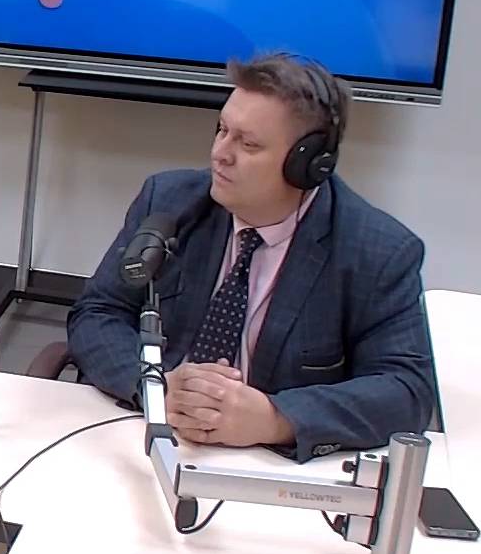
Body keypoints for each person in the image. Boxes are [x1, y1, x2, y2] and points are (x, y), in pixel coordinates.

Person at [67, 52, 438, 461]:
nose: (220, 153)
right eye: (222, 130)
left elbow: (407, 390)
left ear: (308, 164)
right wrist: (156, 386)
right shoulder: (170, 202)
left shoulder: (377, 252)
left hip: (272, 464)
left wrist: (276, 418)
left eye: (248, 143)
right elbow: (98, 312)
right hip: (146, 434)